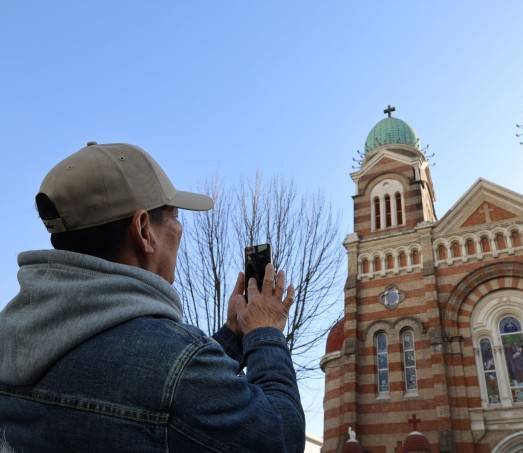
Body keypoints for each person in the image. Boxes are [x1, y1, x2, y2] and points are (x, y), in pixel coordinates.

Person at [0, 142, 305, 452]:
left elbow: (164, 387)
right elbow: (281, 437)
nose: (179, 230)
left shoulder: (12, 341)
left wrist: (234, 334)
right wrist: (265, 332)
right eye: (174, 217)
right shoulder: (176, 361)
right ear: (144, 230)